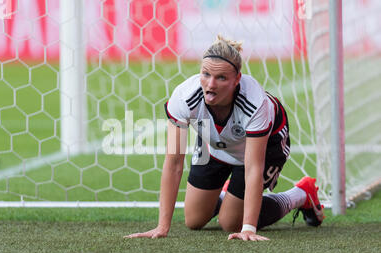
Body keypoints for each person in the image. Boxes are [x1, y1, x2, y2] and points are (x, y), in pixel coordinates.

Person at [125, 35, 324, 242]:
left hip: (264, 145)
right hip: (215, 143)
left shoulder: (255, 103)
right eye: (206, 74)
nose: (211, 84)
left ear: (237, 79)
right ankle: (232, 195)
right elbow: (174, 162)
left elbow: (254, 167)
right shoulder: (184, 97)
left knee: (229, 222)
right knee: (194, 220)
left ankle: (300, 195)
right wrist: (162, 227)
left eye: (221, 78)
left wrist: (248, 228)